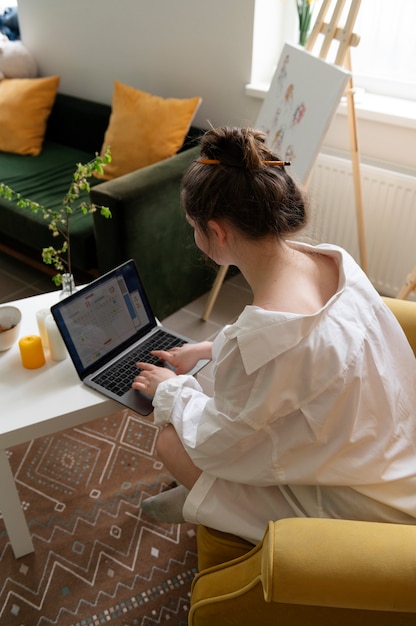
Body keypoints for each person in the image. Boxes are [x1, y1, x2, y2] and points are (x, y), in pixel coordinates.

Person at [132, 126, 416, 545]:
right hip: (391, 451)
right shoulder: (333, 263)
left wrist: (171, 391)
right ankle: (203, 497)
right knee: (215, 386)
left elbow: (217, 445)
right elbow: (301, 346)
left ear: (219, 232)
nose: (195, 237)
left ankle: (209, 505)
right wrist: (212, 347)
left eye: (195, 226)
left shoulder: (265, 344)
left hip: (367, 503)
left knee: (173, 440)